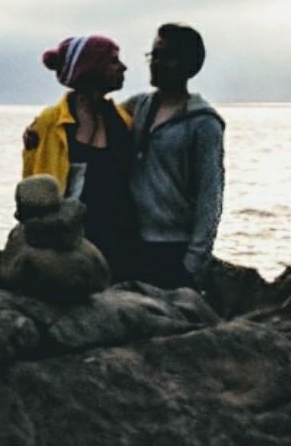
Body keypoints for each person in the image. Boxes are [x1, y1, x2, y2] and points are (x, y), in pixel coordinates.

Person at [21, 34, 139, 277]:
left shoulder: (123, 120)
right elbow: (32, 184)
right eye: (113, 61)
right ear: (91, 69)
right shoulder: (49, 124)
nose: (123, 67)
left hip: (121, 237)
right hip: (71, 242)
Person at [126, 22, 226, 289]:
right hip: (131, 240)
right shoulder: (138, 107)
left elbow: (210, 195)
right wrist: (38, 131)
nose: (156, 64)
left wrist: (194, 260)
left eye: (166, 57)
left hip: (174, 247)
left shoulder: (204, 122)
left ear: (188, 64)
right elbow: (86, 116)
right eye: (153, 55)